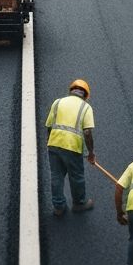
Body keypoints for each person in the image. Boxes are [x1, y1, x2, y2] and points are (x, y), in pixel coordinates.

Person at [45, 79, 95, 216]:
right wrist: (91, 153)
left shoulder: (58, 102)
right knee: (76, 176)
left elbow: (49, 125)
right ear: (85, 95)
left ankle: (59, 207)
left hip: (54, 144)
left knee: (56, 176)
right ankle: (79, 203)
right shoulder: (86, 107)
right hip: (72, 147)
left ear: (71, 91)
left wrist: (48, 140)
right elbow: (87, 132)